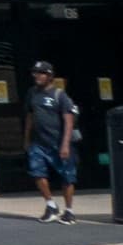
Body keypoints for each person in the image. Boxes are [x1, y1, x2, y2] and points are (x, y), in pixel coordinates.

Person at [25, 61, 85, 223]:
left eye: (41, 73)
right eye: (35, 72)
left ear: (50, 76)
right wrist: (26, 138)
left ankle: (69, 210)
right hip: (39, 143)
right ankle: (50, 205)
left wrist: (65, 144)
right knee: (37, 173)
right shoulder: (32, 93)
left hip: (58, 142)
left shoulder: (60, 95)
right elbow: (30, 116)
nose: (37, 76)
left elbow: (68, 121)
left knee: (67, 177)